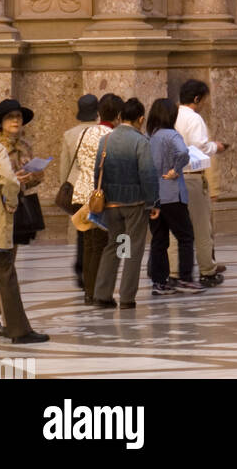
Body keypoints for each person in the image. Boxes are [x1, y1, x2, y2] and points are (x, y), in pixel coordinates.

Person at [92, 97, 159, 310]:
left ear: (120, 117)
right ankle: (127, 297)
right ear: (141, 119)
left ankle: (103, 293)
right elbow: (148, 174)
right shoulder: (141, 141)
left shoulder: (106, 140)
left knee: (116, 245)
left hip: (111, 204)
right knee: (133, 249)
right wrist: (153, 202)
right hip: (135, 204)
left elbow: (97, 171)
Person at [0, 97, 46, 346]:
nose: (15, 121)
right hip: (2, 215)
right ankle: (16, 328)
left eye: (18, 117)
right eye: (10, 117)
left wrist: (32, 176)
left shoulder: (24, 146)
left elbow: (34, 178)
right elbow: (7, 180)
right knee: (5, 270)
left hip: (13, 214)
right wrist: (13, 193)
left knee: (4, 268)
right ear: (1, 123)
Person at [146, 98, 201, 297]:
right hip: (172, 194)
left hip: (153, 196)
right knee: (186, 237)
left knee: (159, 239)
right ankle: (185, 278)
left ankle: (159, 282)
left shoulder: (149, 136)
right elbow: (184, 153)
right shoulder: (171, 135)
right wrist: (176, 169)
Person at [70, 93, 121, 305]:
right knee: (101, 246)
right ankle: (97, 292)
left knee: (89, 246)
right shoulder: (112, 136)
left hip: (81, 193)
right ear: (118, 115)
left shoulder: (86, 132)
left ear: (99, 113)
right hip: (98, 197)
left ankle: (89, 292)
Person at [175, 79, 227, 286]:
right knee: (202, 227)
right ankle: (207, 270)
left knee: (176, 229)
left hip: (173, 179)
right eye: (204, 99)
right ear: (197, 98)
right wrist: (216, 147)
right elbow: (200, 148)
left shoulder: (172, 115)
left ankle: (174, 270)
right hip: (192, 177)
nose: (204, 103)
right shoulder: (194, 119)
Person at [60, 93, 99, 291]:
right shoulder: (102, 132)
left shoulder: (69, 134)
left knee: (81, 231)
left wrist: (64, 187)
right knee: (97, 232)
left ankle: (80, 267)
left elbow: (65, 166)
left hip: (76, 188)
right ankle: (93, 271)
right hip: (95, 189)